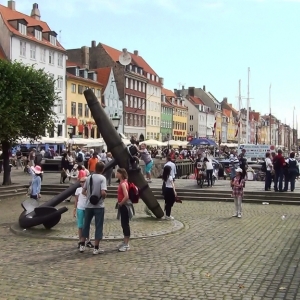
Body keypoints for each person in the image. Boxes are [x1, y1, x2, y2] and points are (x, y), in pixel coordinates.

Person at [79, 162, 107, 255]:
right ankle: (96, 248)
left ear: (95, 168)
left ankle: (82, 245)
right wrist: (102, 198)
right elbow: (103, 192)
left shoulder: (89, 177)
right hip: (99, 206)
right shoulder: (102, 178)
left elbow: (83, 191)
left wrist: (90, 198)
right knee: (98, 226)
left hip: (88, 205)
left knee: (86, 224)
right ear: (102, 169)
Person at [116, 168, 134, 252]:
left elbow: (126, 196)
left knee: (125, 224)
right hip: (123, 205)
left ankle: (126, 244)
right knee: (123, 224)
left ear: (121, 174)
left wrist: (121, 203)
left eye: (117, 172)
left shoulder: (123, 184)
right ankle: (125, 241)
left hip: (124, 206)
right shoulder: (123, 182)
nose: (116, 174)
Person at [73, 177, 94, 249]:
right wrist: (74, 209)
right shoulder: (78, 190)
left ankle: (88, 240)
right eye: (81, 182)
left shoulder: (90, 190)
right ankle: (80, 241)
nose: (82, 183)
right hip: (80, 208)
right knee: (80, 226)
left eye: (83, 182)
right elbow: (76, 200)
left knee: (87, 225)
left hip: (88, 208)